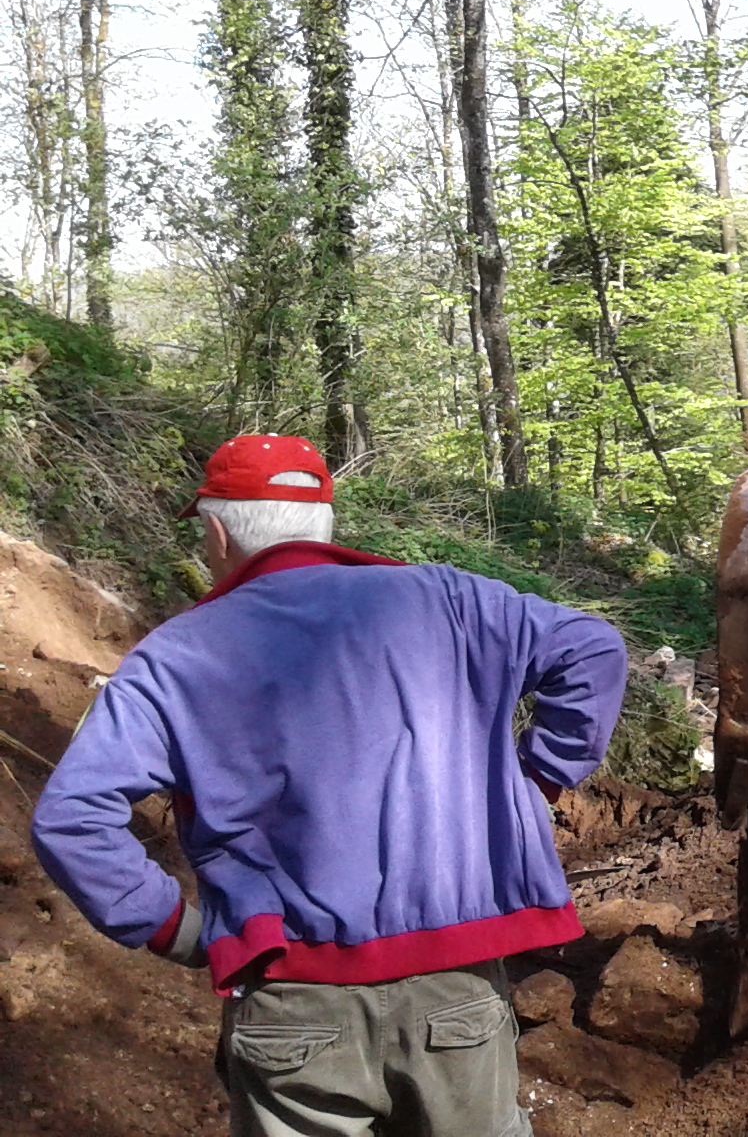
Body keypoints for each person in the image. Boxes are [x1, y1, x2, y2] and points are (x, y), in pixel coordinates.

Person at [30, 434, 629, 1137]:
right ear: (324, 521)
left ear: (218, 534)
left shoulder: (176, 655)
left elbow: (72, 819)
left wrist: (176, 931)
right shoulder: (450, 600)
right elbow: (593, 648)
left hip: (289, 1000)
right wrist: (539, 778)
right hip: (457, 988)